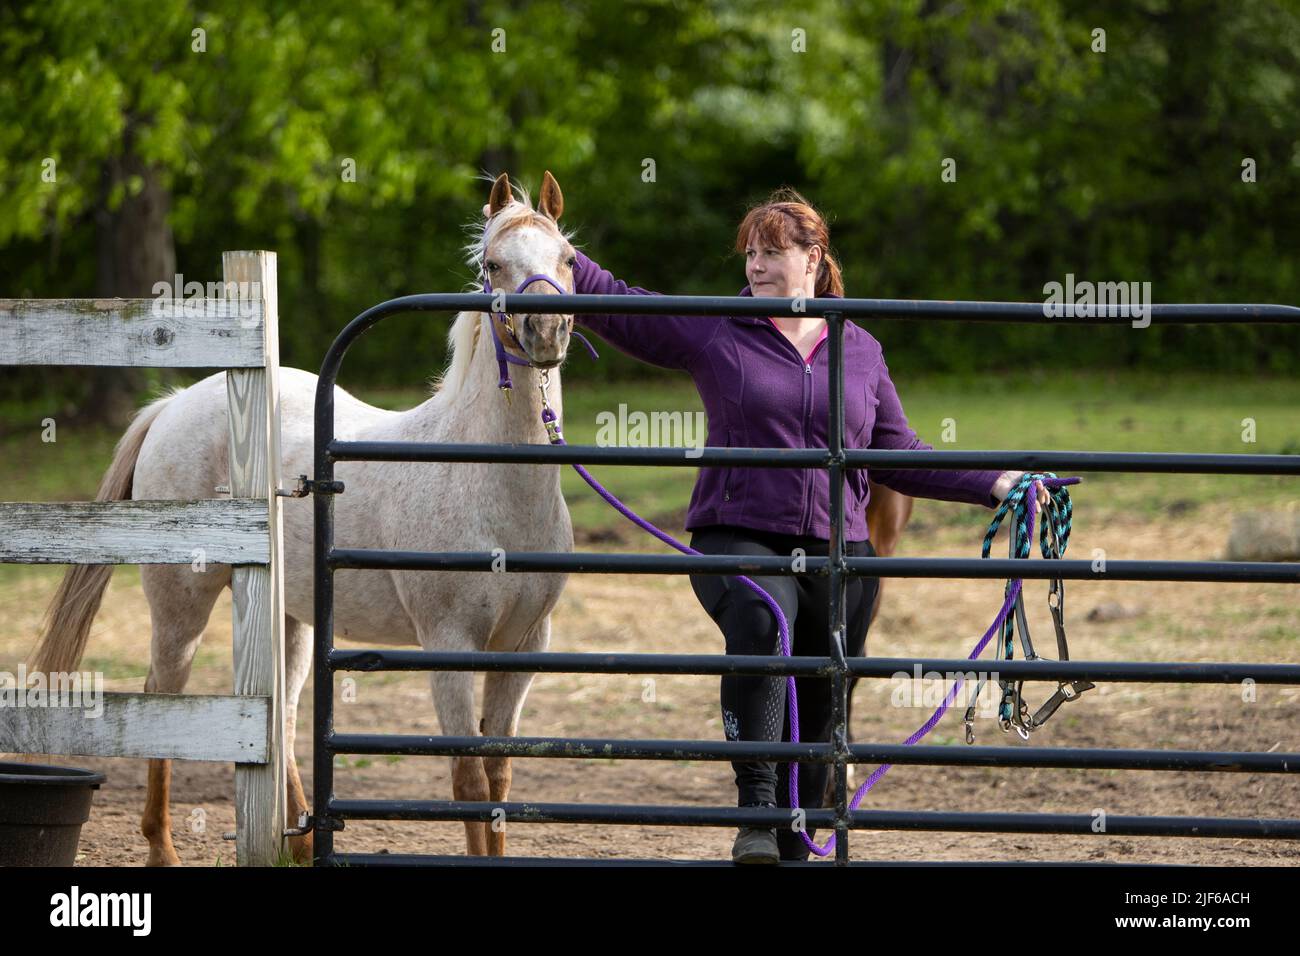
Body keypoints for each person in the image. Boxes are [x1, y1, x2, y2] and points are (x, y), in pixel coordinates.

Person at [566, 188, 1045, 863]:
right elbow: (623, 306)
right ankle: (756, 809)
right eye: (750, 255)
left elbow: (898, 453)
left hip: (839, 547)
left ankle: (796, 835)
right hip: (738, 534)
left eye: (771, 253)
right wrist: (551, 250)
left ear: (813, 259)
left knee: (824, 692)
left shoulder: (861, 348)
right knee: (766, 621)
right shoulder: (715, 328)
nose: (754, 267)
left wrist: (1000, 483)